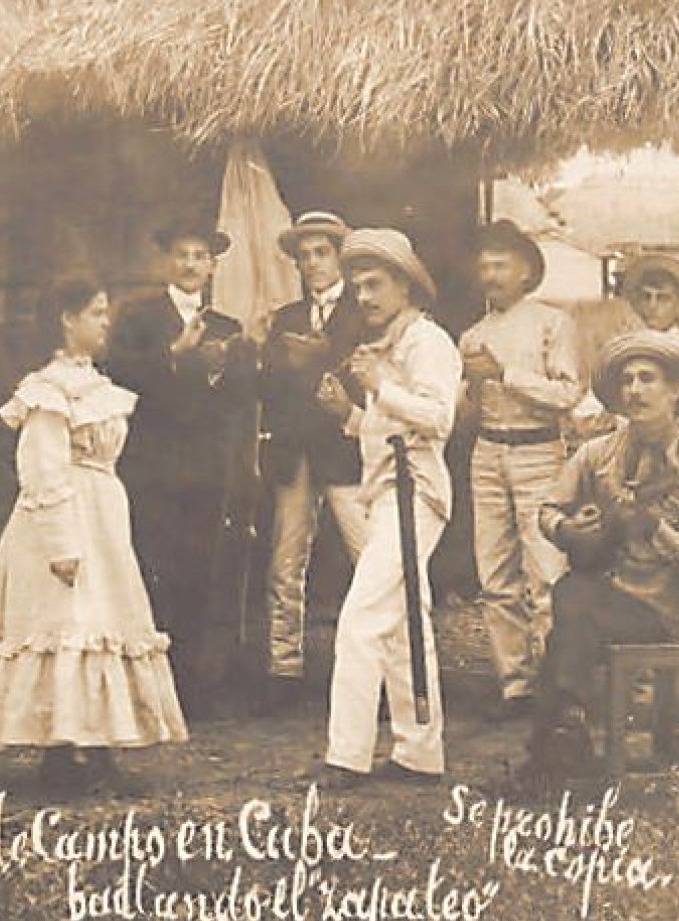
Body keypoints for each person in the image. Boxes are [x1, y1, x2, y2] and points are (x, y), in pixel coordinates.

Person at [0, 277, 187, 792]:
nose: (105, 322)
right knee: (68, 626)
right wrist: (62, 547)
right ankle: (62, 753)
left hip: (103, 519)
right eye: (97, 312)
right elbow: (43, 472)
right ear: (68, 319)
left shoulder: (96, 386)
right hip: (63, 522)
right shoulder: (46, 392)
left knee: (104, 623)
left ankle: (99, 747)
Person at [529, 331, 679, 778]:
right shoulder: (597, 453)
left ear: (676, 390)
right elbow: (546, 509)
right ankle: (569, 726)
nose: (634, 391)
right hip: (600, 596)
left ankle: (562, 734)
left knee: (571, 604)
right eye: (626, 381)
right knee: (574, 600)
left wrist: (652, 527)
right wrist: (566, 528)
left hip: (663, 609)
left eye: (647, 379)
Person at [314, 229, 460, 785]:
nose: (365, 297)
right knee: (403, 626)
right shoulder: (390, 346)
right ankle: (420, 753)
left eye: (375, 284)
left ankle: (345, 755)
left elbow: (439, 418)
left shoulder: (428, 342)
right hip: (385, 493)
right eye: (357, 288)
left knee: (360, 620)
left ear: (406, 284)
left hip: (414, 492)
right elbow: (384, 430)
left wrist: (380, 385)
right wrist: (348, 414)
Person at [111, 217, 258, 714]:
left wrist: (219, 370)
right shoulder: (137, 318)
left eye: (200, 255)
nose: (191, 263)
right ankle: (144, 688)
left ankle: (186, 688)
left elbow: (240, 399)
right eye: (182, 254)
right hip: (151, 466)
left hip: (204, 470)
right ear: (166, 262)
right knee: (151, 567)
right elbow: (117, 377)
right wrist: (173, 355)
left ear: (213, 266)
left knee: (198, 571)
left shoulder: (228, 328)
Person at [458, 219, 581, 719]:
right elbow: (466, 410)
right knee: (494, 573)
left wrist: (505, 374)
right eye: (484, 265)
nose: (490, 273)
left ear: (526, 270)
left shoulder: (553, 323)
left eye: (501, 264)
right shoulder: (471, 336)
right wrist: (466, 393)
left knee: (546, 571)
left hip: (538, 452)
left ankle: (557, 683)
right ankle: (515, 684)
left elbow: (567, 393)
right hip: (488, 452)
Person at [257, 211, 366, 693]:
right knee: (286, 559)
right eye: (304, 257)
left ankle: (375, 671)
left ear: (340, 257)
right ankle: (285, 667)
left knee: (369, 556)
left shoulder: (364, 313)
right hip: (297, 450)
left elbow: (367, 380)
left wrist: (322, 359)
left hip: (346, 451)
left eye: (322, 253)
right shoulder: (284, 320)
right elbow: (270, 390)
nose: (313, 264)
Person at [574, 255, 679, 442]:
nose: (652, 306)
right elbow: (586, 415)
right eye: (646, 297)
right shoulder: (620, 351)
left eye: (663, 299)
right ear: (636, 303)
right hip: (622, 450)